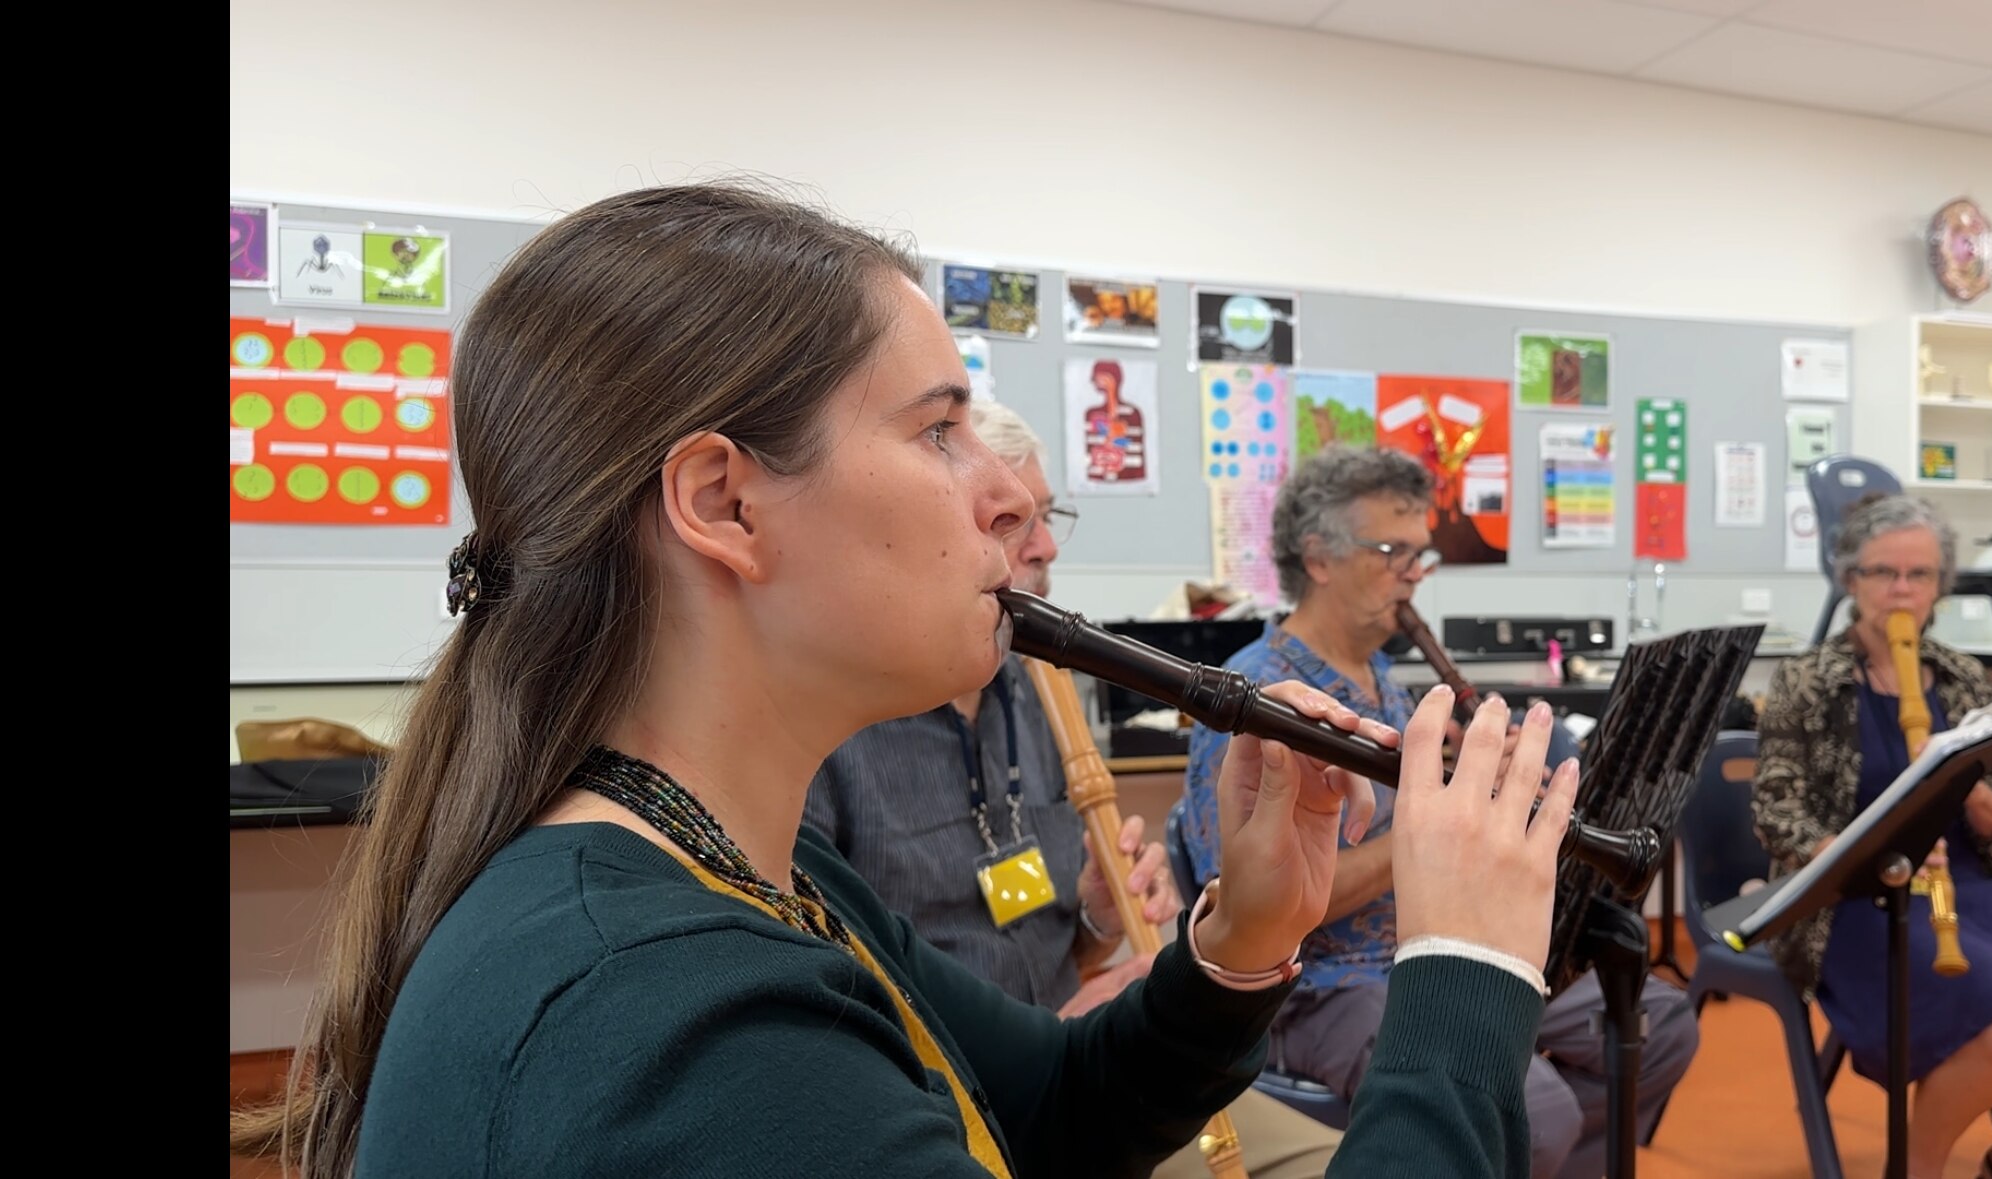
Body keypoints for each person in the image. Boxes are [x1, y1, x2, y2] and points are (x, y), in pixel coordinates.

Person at [226, 182, 1585, 1179]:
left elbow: (1051, 1111)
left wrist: (1244, 936)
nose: (1009, 502)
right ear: (724, 503)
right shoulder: (672, 1019)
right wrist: (1463, 969)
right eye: (940, 431)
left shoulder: (747, 868)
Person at [804, 399, 1342, 1178]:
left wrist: (1095, 916)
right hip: (963, 1099)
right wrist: (1058, 1034)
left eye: (1047, 515)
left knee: (1334, 1159)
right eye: (1012, 521)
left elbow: (1062, 947)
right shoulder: (835, 727)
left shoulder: (1033, 688)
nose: (1046, 545)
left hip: (1090, 1062)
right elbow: (834, 1006)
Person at [1178, 445, 1684, 1179]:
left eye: (1421, 554)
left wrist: (1481, 782)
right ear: (1318, 558)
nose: (1414, 573)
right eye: (1394, 552)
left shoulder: (1386, 680)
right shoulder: (1256, 694)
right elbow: (1243, 901)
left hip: (1432, 942)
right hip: (1323, 984)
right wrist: (1434, 827)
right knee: (1537, 1108)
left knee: (1660, 1025)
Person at [1752, 494, 1992, 1179]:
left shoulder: (1962, 676)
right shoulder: (1807, 679)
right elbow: (1775, 810)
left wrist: (1978, 793)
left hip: (1964, 888)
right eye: (1884, 572)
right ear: (1851, 580)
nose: (1902, 590)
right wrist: (1853, 853)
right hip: (1850, 899)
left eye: (1920, 574)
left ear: (1940, 585)